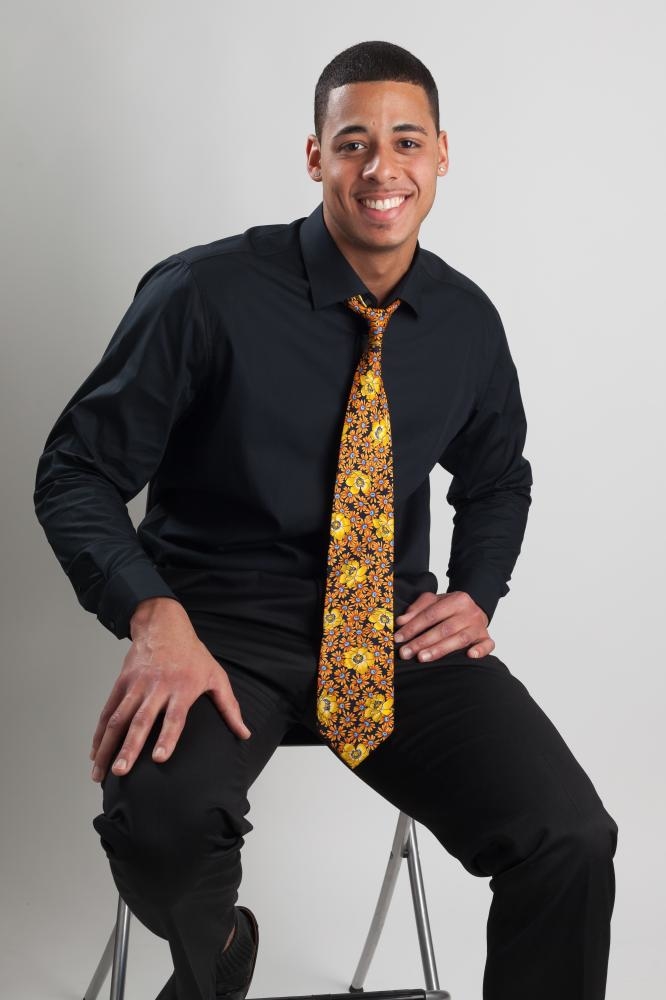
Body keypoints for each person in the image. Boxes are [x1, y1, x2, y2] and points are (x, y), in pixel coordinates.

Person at [33, 40, 618, 1000]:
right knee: (161, 830)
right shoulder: (203, 294)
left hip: (387, 632)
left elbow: (497, 478)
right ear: (316, 157)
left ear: (441, 155)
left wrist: (476, 590)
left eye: (406, 142)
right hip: (217, 631)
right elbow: (75, 471)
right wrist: (152, 615)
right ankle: (221, 949)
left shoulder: (466, 322)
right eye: (353, 144)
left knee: (571, 839)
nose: (381, 169)